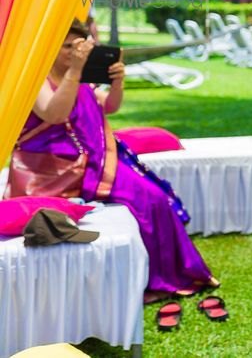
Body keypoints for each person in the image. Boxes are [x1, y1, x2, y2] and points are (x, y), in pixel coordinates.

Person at [9, 19, 216, 299]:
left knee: (155, 198)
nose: (74, 51)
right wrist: (75, 71)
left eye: (78, 46)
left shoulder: (77, 74)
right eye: (67, 46)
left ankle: (168, 276)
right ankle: (156, 281)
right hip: (54, 170)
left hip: (92, 162)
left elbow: (109, 105)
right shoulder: (36, 77)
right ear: (48, 48)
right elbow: (55, 114)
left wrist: (118, 83)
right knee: (146, 201)